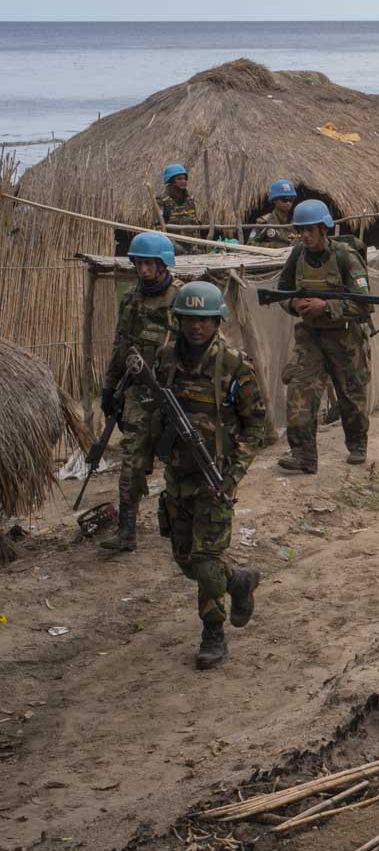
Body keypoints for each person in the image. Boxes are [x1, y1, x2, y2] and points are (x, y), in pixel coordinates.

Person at [131, 280, 267, 669]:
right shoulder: (165, 358)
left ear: (216, 321)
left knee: (206, 560)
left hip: (214, 479)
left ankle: (213, 633)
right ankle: (238, 580)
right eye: (189, 319)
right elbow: (151, 412)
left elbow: (255, 425)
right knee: (186, 561)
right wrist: (143, 464)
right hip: (177, 476)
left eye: (204, 320)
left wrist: (233, 473)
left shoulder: (234, 364)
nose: (196, 327)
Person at [97, 231, 185, 553]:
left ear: (163, 264)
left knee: (181, 460)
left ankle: (183, 526)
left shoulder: (181, 298)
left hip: (175, 391)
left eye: (150, 264)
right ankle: (127, 531)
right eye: (139, 263)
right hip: (139, 391)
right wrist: (109, 388)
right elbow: (121, 344)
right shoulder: (131, 298)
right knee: (131, 459)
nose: (144, 270)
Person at [274, 199, 372, 473]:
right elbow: (282, 293)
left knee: (351, 394)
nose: (304, 235)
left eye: (310, 230)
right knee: (299, 393)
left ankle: (357, 444)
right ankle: (303, 456)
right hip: (310, 337)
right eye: (300, 230)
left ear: (323, 228)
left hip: (344, 337)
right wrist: (294, 305)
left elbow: (364, 303)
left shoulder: (345, 256)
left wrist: (326, 306)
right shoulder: (297, 256)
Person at [155, 163, 203, 240]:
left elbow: (195, 221)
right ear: (171, 181)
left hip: (193, 244)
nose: (183, 181)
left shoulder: (190, 199)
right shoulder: (161, 200)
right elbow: (158, 226)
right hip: (172, 244)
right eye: (179, 179)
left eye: (184, 179)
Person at [250, 179, 299, 247]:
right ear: (275, 200)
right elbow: (251, 244)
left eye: (291, 200)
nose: (288, 203)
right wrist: (274, 246)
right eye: (284, 199)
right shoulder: (265, 221)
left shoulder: (295, 220)